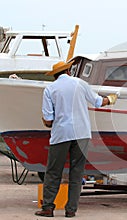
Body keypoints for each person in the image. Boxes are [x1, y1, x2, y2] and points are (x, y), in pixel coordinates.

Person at [35, 61, 117, 218]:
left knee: (53, 172)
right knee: (77, 172)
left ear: (55, 76)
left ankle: (48, 208)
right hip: (82, 134)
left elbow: (48, 120)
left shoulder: (50, 89)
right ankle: (71, 210)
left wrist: (48, 121)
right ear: (68, 71)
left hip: (61, 135)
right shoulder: (80, 84)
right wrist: (112, 99)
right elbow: (99, 102)